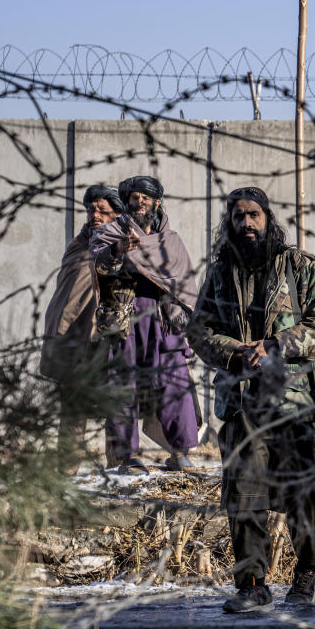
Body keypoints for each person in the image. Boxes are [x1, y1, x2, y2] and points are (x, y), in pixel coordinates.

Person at [188, 187, 315, 613]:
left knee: (304, 490)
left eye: (254, 215)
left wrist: (279, 343)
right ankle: (253, 584)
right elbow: (198, 332)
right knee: (243, 493)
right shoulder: (221, 274)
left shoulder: (298, 266)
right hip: (243, 403)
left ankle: (306, 575)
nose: (247, 224)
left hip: (294, 403)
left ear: (267, 218)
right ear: (230, 222)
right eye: (239, 216)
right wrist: (236, 351)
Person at [90, 176, 200, 474]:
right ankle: (128, 457)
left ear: (157, 202)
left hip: (165, 321)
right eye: (133, 197)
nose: (139, 202)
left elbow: (186, 280)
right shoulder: (113, 232)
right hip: (126, 318)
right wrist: (118, 251)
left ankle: (179, 453)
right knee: (123, 386)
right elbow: (98, 263)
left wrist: (182, 311)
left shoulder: (172, 240)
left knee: (174, 382)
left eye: (145, 197)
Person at [40, 185, 124, 472]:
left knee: (115, 399)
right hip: (70, 334)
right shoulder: (79, 245)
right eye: (91, 210)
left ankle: (118, 463)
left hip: (102, 336)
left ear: (118, 215)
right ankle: (67, 467)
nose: (95, 215)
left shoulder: (121, 247)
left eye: (104, 211)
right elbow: (70, 293)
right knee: (72, 403)